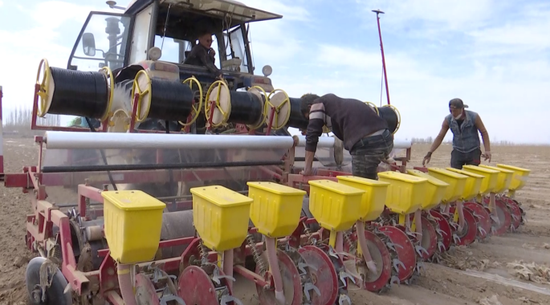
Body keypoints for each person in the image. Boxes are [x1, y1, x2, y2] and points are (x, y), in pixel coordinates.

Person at [300, 93, 394, 180]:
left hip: (367, 146)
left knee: (362, 186)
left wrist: (307, 169)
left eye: (309, 117)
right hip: (386, 138)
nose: (311, 120)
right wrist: (385, 156)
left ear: (309, 107)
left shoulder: (317, 104)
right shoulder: (337, 105)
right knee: (371, 182)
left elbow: (311, 137)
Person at [423, 98, 491, 169]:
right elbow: (440, 137)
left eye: (455, 111)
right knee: (454, 173)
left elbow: (484, 132)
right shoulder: (448, 120)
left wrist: (487, 150)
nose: (453, 113)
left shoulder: (474, 117)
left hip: (473, 151)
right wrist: (430, 152)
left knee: (472, 175)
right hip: (458, 151)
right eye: (450, 111)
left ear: (461, 109)